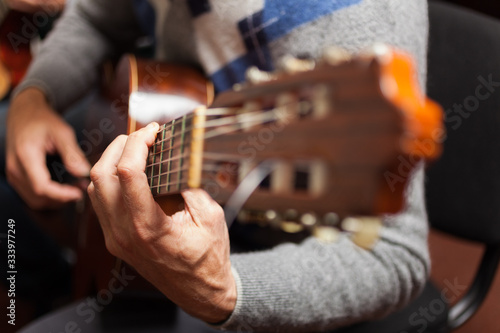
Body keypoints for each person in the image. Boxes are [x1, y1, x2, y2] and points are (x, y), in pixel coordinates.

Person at [6, 0, 430, 331]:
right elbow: (98, 17)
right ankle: (58, 277)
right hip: (160, 123)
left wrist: (223, 290)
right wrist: (34, 97)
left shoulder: (354, 15)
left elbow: (394, 257)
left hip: (256, 260)